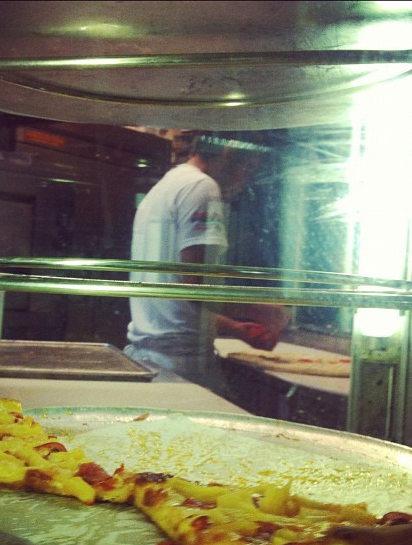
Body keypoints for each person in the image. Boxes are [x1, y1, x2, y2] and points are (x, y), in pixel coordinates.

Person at [123, 132, 291, 394]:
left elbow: (174, 295)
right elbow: (199, 285)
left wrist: (234, 328)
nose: (244, 181)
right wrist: (264, 311)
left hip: (153, 359)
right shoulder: (202, 187)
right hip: (185, 366)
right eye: (248, 168)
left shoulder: (168, 185)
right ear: (229, 151)